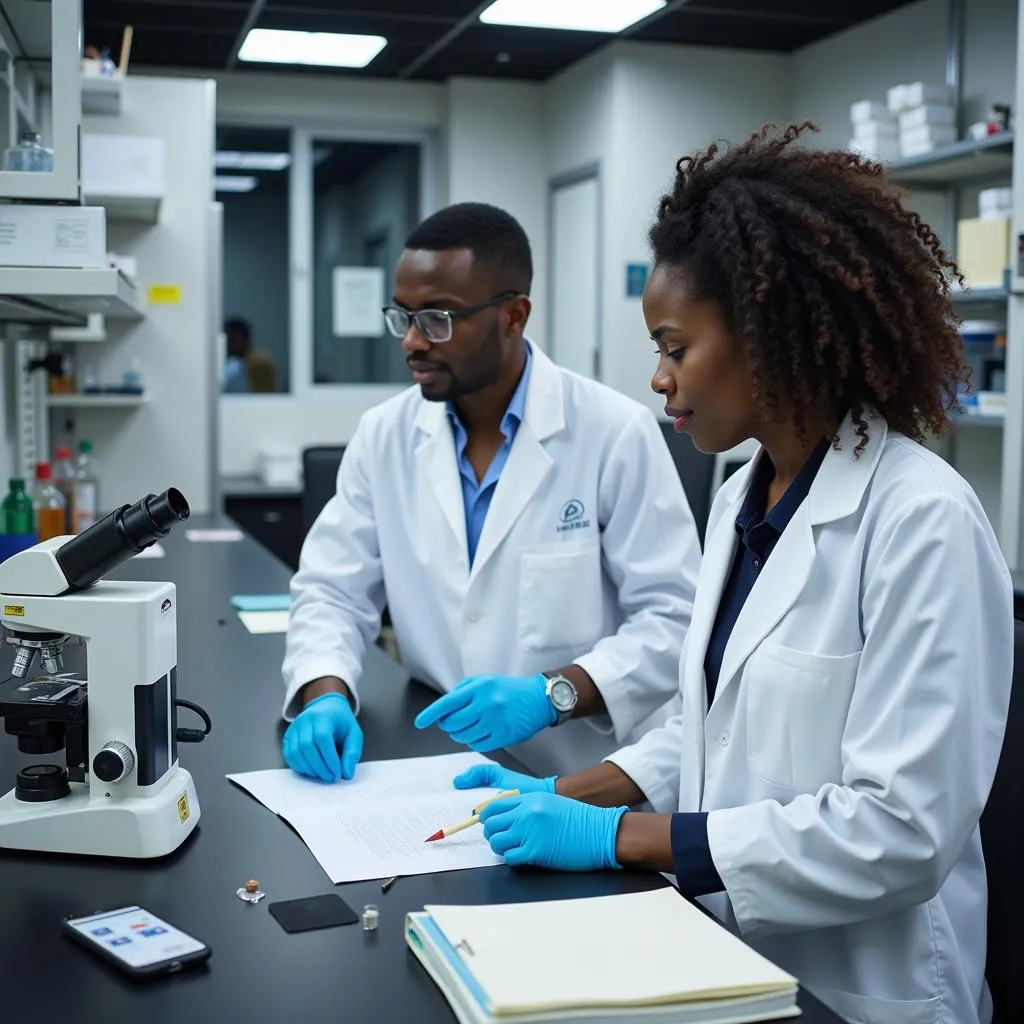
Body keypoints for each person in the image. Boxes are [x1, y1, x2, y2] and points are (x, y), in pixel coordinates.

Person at [454, 126, 1013, 1024]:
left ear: (768, 332)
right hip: (726, 955)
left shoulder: (921, 522)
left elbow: (901, 831)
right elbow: (714, 729)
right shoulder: (739, 498)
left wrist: (628, 838)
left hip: (866, 990)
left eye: (677, 348)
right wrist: (570, 793)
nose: (660, 379)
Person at [281, 202, 701, 783]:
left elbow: (675, 619)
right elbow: (332, 591)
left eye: (437, 319)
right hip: (440, 764)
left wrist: (554, 694)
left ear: (513, 315)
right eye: (402, 316)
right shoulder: (386, 436)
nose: (411, 342)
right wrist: (324, 690)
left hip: (585, 776)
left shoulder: (612, 432)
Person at [222, 317, 251, 393]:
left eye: (237, 340)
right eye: (231, 340)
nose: (234, 345)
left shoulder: (256, 369)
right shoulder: (224, 369)